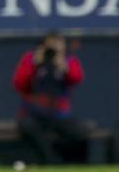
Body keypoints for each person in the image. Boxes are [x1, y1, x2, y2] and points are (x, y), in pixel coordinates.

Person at [13, 32, 87, 163]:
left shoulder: (68, 61)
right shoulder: (31, 59)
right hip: (34, 114)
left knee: (79, 131)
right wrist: (35, 65)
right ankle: (51, 160)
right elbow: (19, 84)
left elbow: (77, 78)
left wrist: (64, 68)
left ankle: (67, 161)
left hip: (59, 115)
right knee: (27, 126)